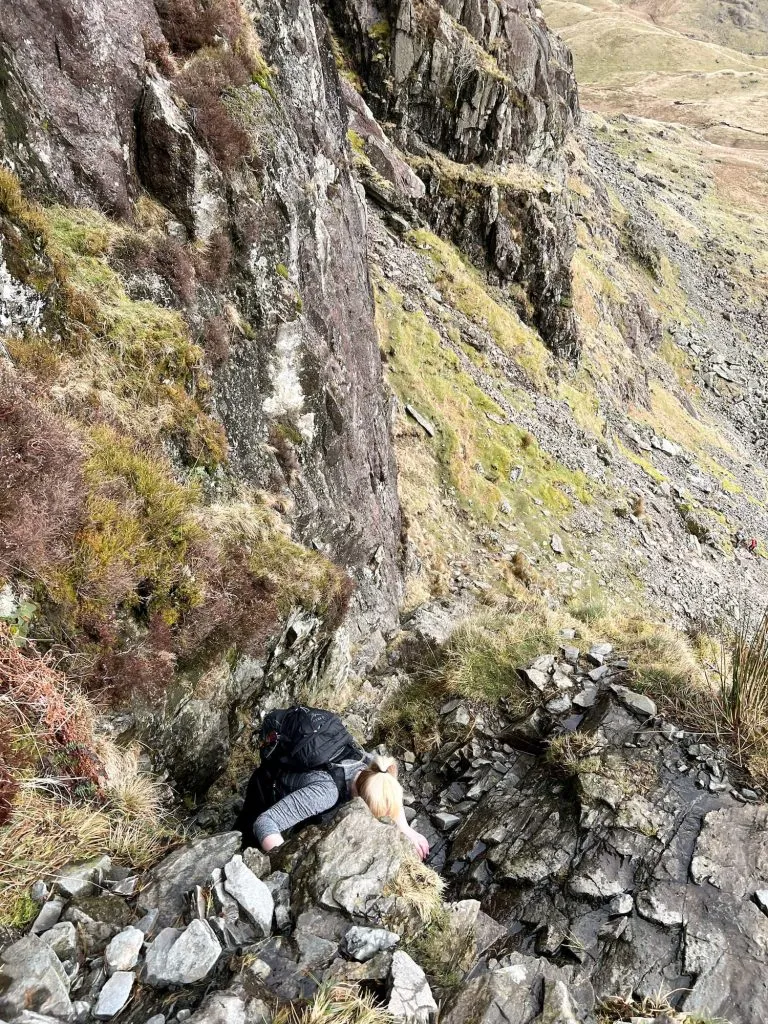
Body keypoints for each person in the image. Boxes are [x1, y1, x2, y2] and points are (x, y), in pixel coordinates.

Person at [236, 707, 430, 860]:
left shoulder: (377, 768)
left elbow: (390, 790)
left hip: (308, 780)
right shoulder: (325, 794)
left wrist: (407, 830)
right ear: (358, 801)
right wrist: (282, 865)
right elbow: (265, 823)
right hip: (267, 787)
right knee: (242, 842)